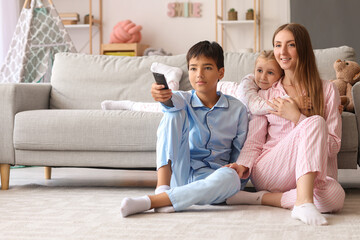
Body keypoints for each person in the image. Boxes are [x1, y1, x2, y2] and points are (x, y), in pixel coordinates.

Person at [225, 23, 345, 226]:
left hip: (309, 175)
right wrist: (242, 164)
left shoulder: (327, 90)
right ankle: (304, 202)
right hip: (271, 169)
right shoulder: (266, 94)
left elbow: (333, 147)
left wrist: (297, 118)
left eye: (290, 45)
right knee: (315, 121)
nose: (282, 52)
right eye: (278, 45)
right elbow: (254, 141)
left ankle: (260, 198)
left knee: (336, 197)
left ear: (303, 48)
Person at [120, 41, 249, 217]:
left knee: (233, 177)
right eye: (193, 68)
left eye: (207, 68)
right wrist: (162, 95)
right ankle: (161, 190)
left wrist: (237, 169)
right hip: (182, 173)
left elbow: (241, 152)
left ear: (221, 72)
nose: (199, 74)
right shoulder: (183, 99)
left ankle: (160, 200)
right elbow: (171, 102)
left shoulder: (238, 109)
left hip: (214, 177)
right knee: (173, 113)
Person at [102, 51, 311, 115]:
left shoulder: (277, 87)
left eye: (270, 73)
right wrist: (294, 102)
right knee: (165, 105)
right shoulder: (249, 82)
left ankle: (173, 75)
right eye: (259, 71)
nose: (262, 77)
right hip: (211, 91)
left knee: (174, 97)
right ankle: (129, 104)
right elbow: (254, 107)